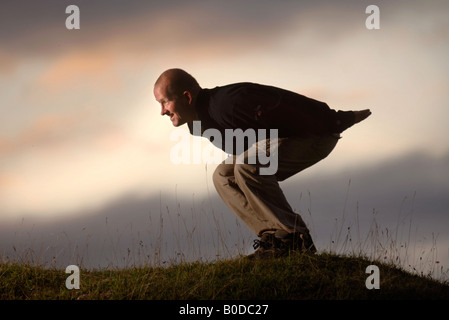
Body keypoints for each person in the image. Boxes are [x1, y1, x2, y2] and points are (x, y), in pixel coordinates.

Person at [154, 68, 371, 259]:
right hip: (284, 139)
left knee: (248, 165)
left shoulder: (227, 104)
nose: (162, 111)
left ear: (187, 97)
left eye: (165, 102)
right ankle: (273, 238)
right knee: (223, 176)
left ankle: (294, 238)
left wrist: (337, 119)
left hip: (315, 134)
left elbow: (285, 106)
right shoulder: (204, 120)